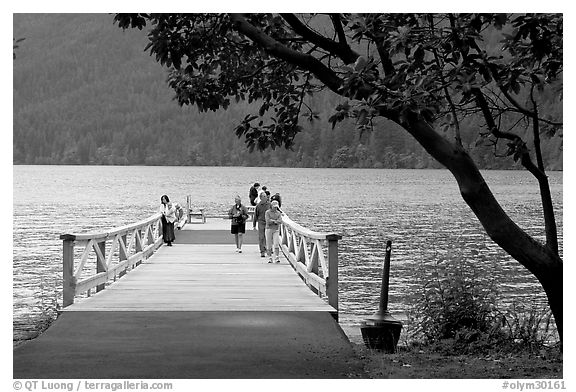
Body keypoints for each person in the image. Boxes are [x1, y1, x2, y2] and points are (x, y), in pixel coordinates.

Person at [253, 192, 271, 258]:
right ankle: (262, 251)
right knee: (261, 237)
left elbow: (274, 211)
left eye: (266, 196)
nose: (266, 197)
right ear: (261, 198)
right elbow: (255, 215)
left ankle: (268, 249)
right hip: (261, 222)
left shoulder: (269, 204)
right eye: (264, 196)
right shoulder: (258, 206)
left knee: (268, 236)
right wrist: (254, 225)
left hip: (268, 222)